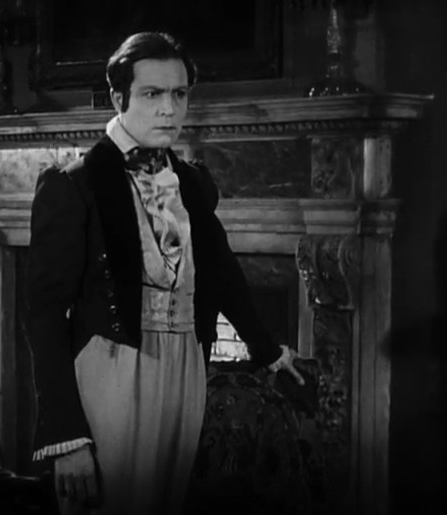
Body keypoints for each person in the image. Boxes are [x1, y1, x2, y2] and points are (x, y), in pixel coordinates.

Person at [26, 31, 304, 515]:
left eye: (179, 94)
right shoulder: (75, 186)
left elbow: (223, 273)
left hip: (185, 366)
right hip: (113, 366)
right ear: (119, 98)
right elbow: (44, 314)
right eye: (152, 94)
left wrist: (269, 350)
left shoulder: (191, 182)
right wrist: (66, 436)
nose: (168, 109)